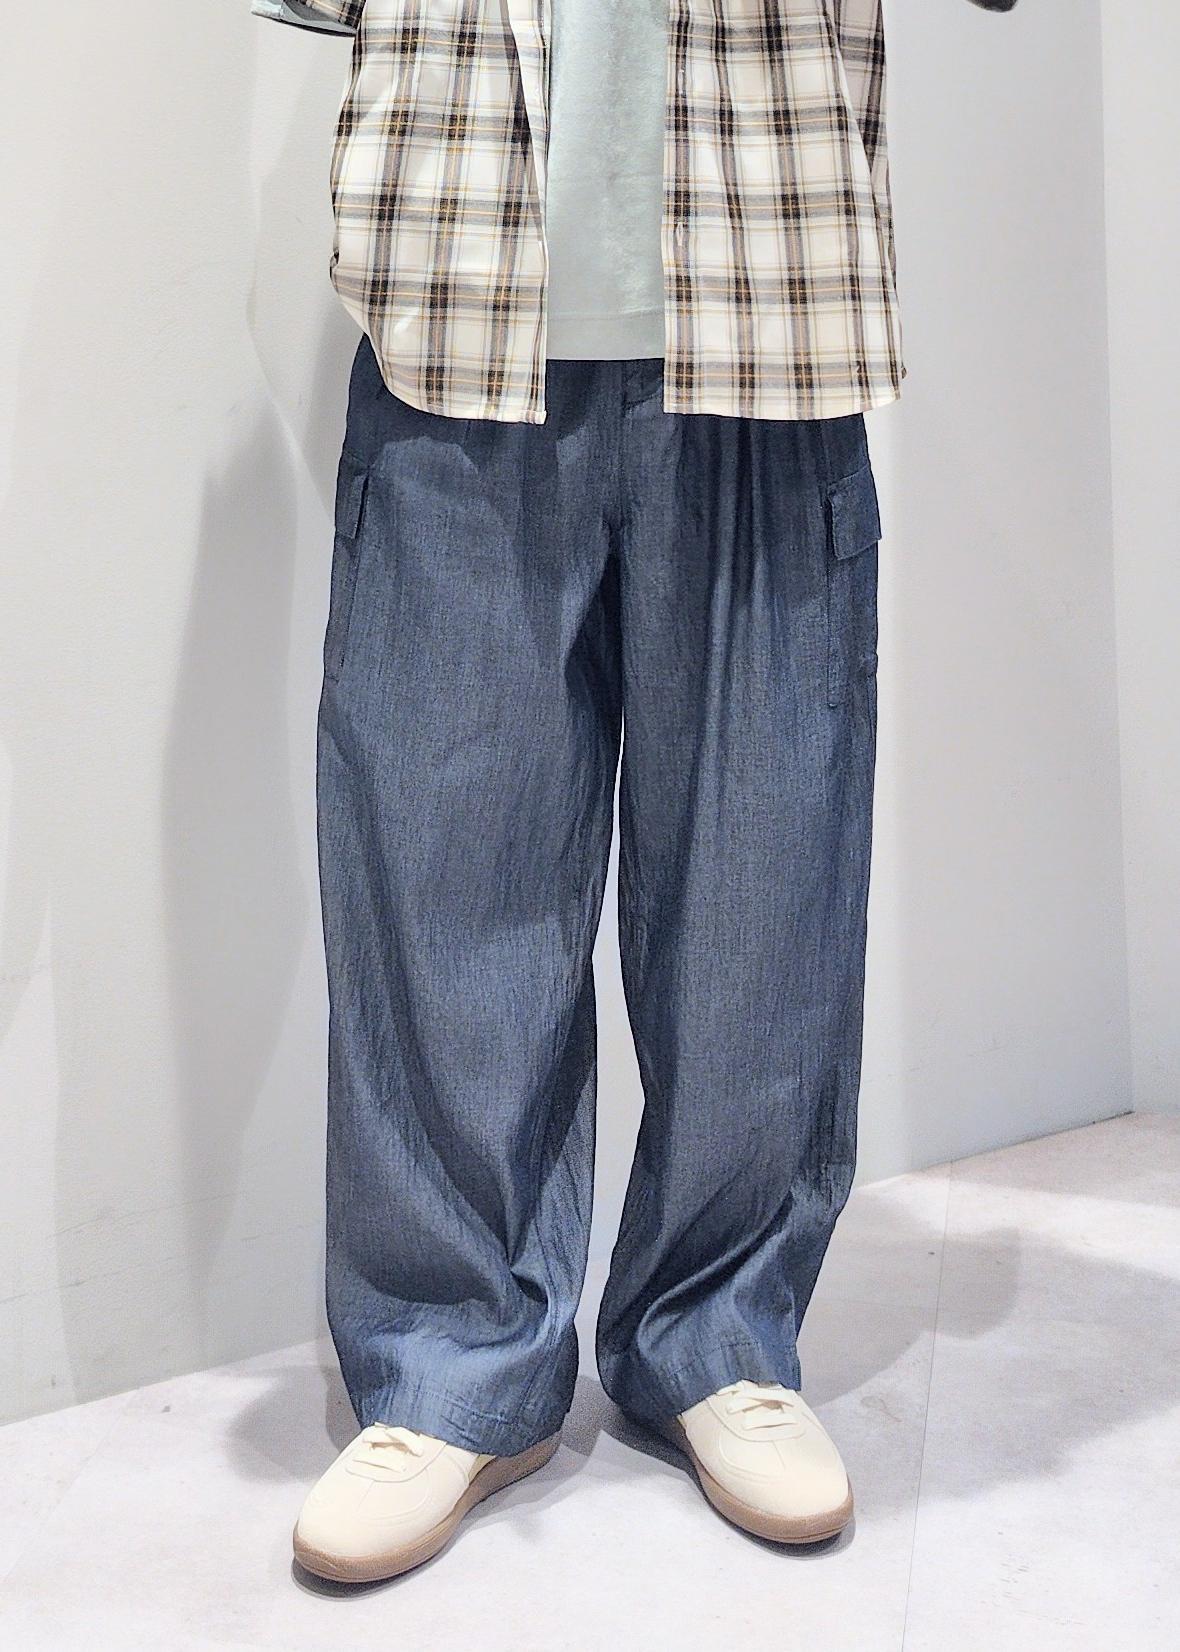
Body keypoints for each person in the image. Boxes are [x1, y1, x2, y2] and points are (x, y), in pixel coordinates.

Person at [253, 0, 1018, 1584]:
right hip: (460, 275)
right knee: (439, 865)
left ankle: (720, 1335)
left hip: (769, 281)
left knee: (762, 876)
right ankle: (450, 1360)